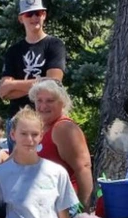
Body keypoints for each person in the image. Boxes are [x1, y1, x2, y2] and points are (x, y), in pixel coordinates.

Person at [0, 0, 66, 152]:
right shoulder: (13, 51)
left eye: (38, 13)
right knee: (19, 170)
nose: (34, 17)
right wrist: (41, 82)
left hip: (46, 119)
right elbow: (3, 92)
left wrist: (13, 84)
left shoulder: (54, 45)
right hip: (18, 120)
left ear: (44, 15)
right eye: (29, 14)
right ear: (21, 18)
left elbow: (54, 82)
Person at [28, 79, 93, 210]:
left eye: (50, 101)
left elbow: (83, 168)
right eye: (39, 100)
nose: (43, 106)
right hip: (41, 204)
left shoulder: (63, 128)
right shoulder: (39, 128)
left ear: (62, 102)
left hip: (63, 206)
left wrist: (84, 210)